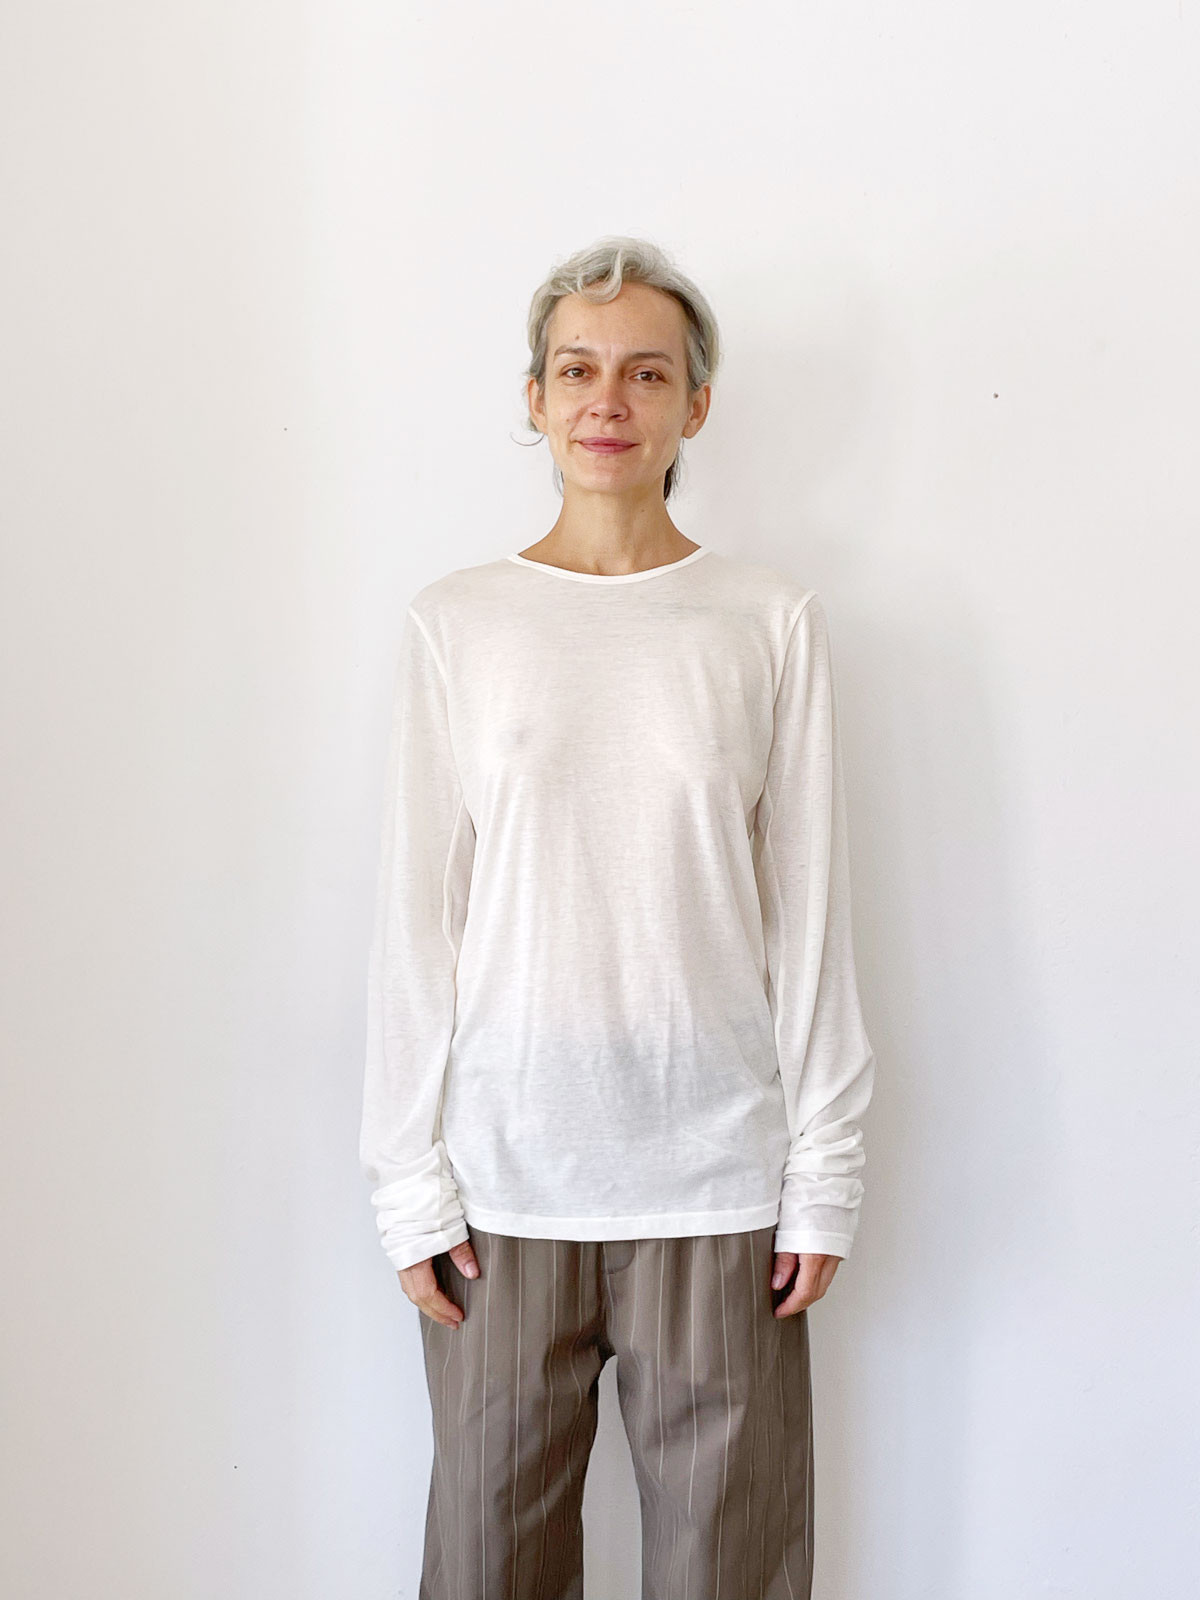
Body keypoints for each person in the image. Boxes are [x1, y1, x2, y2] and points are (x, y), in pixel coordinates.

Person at [359, 235, 877, 1600]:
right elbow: (418, 921)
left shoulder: (767, 621)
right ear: (533, 398)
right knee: (488, 1563)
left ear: (695, 404)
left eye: (646, 372)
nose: (608, 399)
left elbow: (810, 911)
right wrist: (406, 1180)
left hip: (719, 1181)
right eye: (577, 369)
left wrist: (824, 1169)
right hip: (500, 1188)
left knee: (730, 1571)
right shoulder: (459, 624)